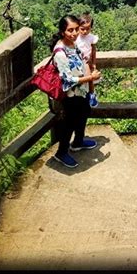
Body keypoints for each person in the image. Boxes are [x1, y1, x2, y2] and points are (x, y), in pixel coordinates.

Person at [51, 14, 101, 169]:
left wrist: (90, 81)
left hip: (82, 90)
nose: (73, 33)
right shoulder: (60, 52)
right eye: (69, 30)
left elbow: (83, 62)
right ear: (62, 32)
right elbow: (67, 80)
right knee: (70, 123)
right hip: (71, 94)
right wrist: (90, 78)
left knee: (84, 112)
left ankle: (78, 142)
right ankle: (61, 152)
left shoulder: (73, 45)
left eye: (75, 30)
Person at [77, 12, 99, 108]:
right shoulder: (75, 37)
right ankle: (81, 96)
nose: (85, 31)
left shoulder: (91, 38)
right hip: (77, 62)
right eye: (82, 29)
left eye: (88, 29)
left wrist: (93, 63)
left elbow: (94, 51)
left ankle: (91, 94)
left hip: (87, 61)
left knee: (90, 78)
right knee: (82, 80)